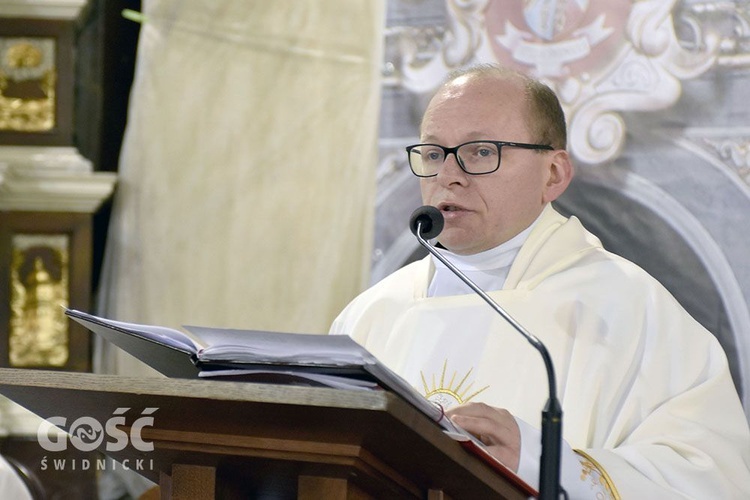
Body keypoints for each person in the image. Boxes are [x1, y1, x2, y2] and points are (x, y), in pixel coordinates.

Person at [329, 63, 750, 498]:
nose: (448, 175)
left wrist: (543, 462)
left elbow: (711, 477)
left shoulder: (629, 308)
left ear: (554, 174)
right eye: (434, 154)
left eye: (480, 151)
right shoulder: (369, 316)